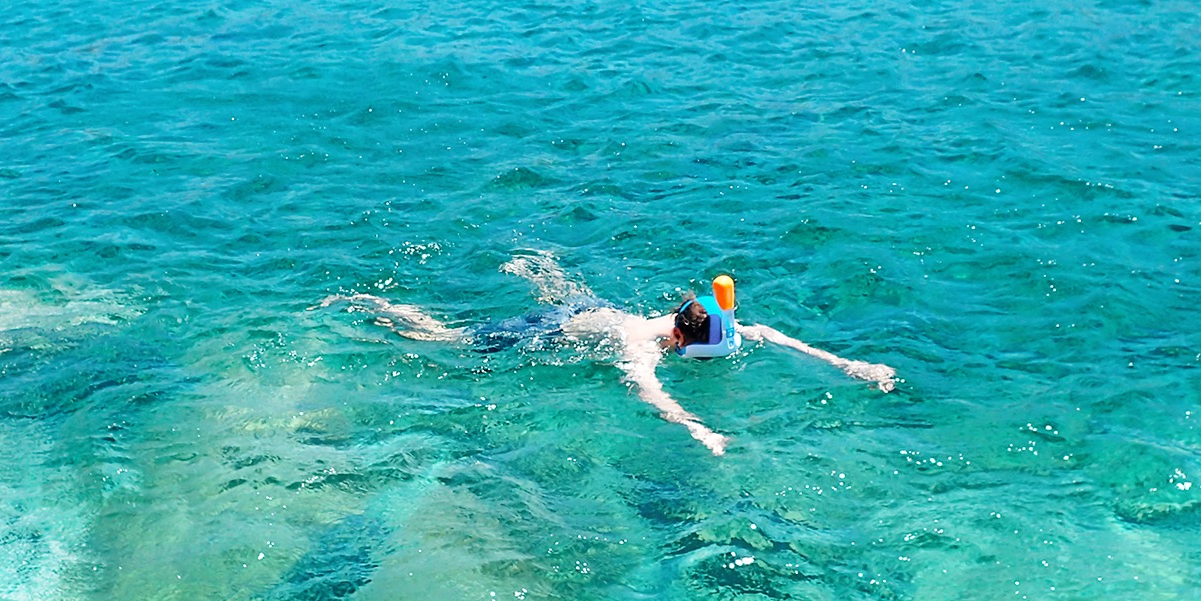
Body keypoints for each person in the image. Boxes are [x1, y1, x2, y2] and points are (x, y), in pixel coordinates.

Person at [325, 254, 896, 455]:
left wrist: (849, 365)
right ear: (678, 339)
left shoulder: (710, 323)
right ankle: (377, 306)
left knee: (567, 295)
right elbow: (651, 392)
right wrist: (699, 430)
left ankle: (540, 271)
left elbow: (774, 334)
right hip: (555, 332)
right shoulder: (640, 349)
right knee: (447, 341)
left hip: (598, 311)